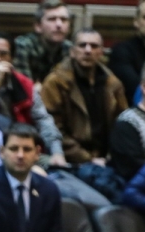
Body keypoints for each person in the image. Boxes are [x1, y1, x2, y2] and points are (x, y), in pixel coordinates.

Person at [40, 29, 127, 166]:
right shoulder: (56, 82)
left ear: (101, 52)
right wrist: (87, 159)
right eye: (82, 45)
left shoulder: (113, 84)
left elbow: (122, 124)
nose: (88, 50)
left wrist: (111, 157)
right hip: (68, 161)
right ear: (72, 51)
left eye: (94, 46)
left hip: (107, 160)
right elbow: (54, 129)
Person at [0, 32, 67, 167]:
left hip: (25, 151)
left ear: (12, 58)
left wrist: (57, 152)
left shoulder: (24, 84)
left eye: (3, 54)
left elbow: (43, 120)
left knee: (62, 172)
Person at [12, 0, 72, 85]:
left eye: (64, 19)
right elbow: (24, 87)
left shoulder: (71, 49)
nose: (59, 24)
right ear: (38, 26)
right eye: (52, 19)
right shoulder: (24, 45)